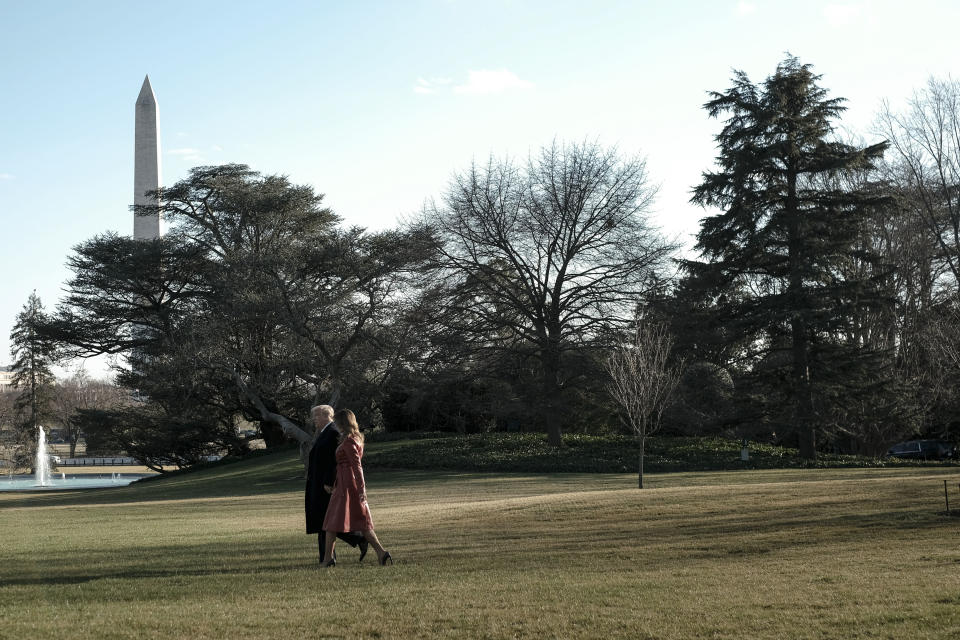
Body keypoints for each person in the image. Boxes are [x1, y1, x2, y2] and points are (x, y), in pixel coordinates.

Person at [321, 409, 393, 567]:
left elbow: (357, 466)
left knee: (331, 523)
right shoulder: (353, 439)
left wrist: (362, 490)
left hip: (347, 487)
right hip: (345, 483)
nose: (335, 424)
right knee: (360, 523)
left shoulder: (349, 441)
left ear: (342, 423)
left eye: (337, 422)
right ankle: (382, 553)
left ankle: (328, 559)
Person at [304, 404, 368, 564]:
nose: (314, 420)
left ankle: (355, 540)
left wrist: (328, 481)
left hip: (326, 485)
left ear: (326, 415)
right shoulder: (324, 432)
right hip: (318, 482)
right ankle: (329, 556)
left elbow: (335, 461)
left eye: (316, 416)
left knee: (326, 521)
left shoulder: (333, 433)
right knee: (323, 521)